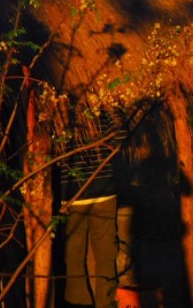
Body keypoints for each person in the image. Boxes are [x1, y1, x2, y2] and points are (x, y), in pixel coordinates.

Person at [61, 105, 127, 307]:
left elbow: (120, 137)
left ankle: (90, 303)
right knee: (98, 255)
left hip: (88, 195)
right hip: (93, 193)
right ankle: (100, 303)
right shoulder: (99, 105)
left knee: (78, 256)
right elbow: (121, 136)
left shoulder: (59, 109)